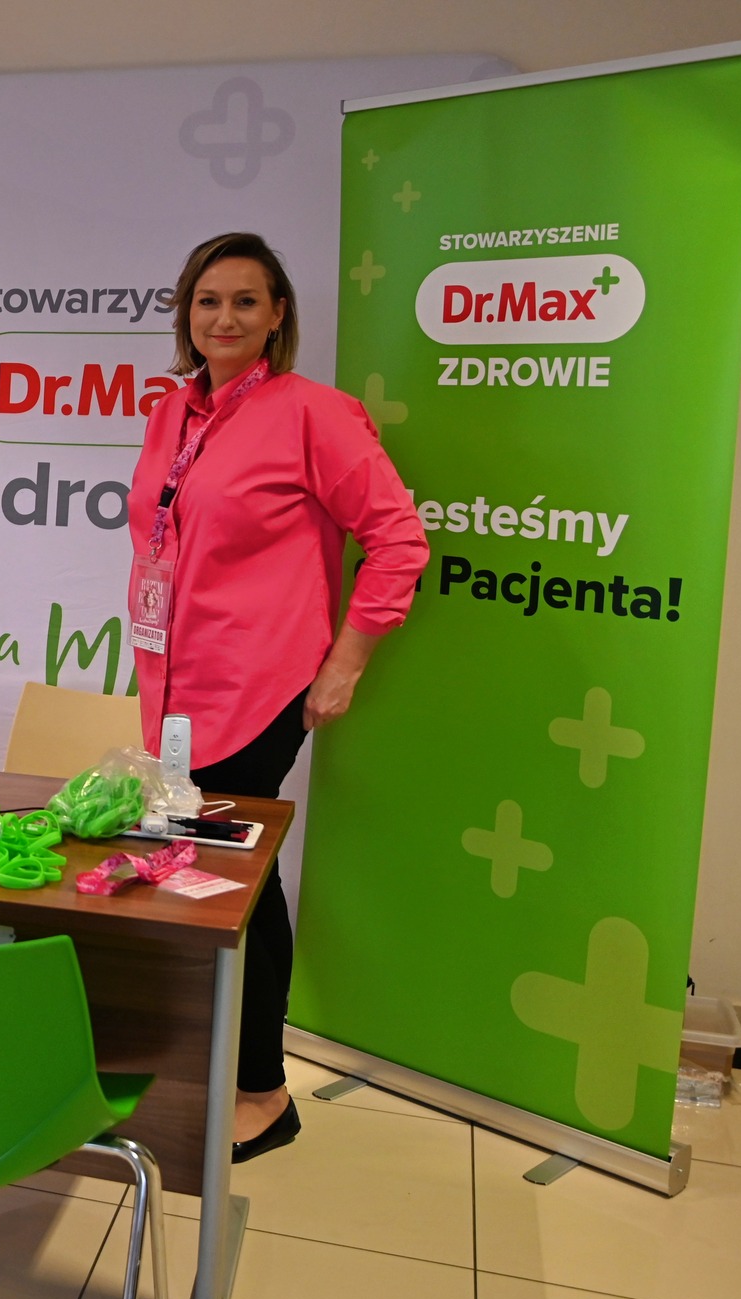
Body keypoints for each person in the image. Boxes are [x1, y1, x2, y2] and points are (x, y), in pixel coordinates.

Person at [128, 232, 429, 1161]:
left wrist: (344, 664)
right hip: (173, 688)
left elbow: (399, 541)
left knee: (238, 887)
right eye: (208, 300)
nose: (224, 317)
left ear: (277, 315)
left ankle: (263, 1092)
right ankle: (219, 1064)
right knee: (200, 875)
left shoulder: (314, 414)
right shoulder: (173, 411)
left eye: (245, 301)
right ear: (187, 312)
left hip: (258, 687)